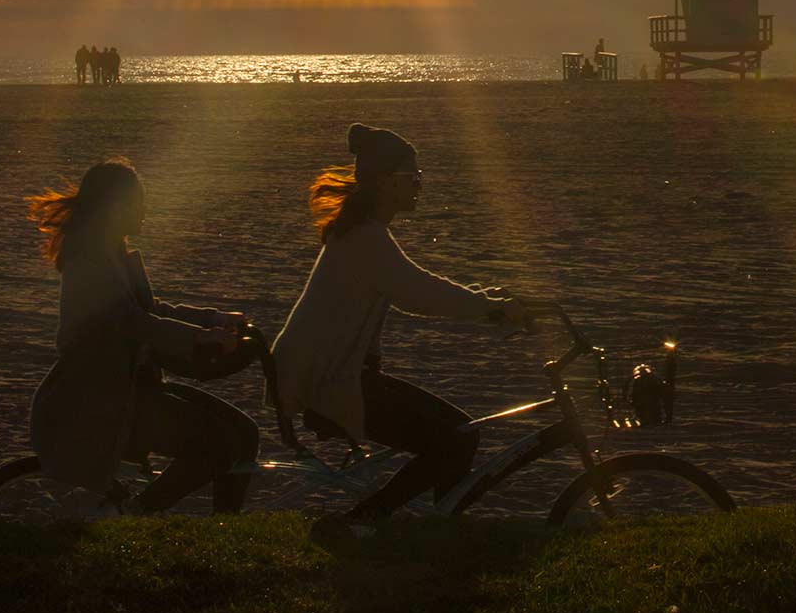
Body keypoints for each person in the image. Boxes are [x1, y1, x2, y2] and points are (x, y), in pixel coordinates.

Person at [272, 124, 530, 546]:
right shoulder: (366, 238)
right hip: (333, 380)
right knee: (456, 438)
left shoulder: (362, 232)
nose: (419, 187)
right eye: (414, 179)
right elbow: (419, 291)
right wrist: (492, 309)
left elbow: (411, 291)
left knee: (455, 434)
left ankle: (439, 530)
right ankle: (368, 521)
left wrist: (485, 302)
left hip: (337, 372)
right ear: (387, 182)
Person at [26, 157, 259, 514]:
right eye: (138, 200)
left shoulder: (112, 252)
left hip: (128, 385)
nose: (145, 209)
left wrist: (214, 319)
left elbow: (152, 310)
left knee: (243, 432)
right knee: (218, 443)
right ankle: (139, 515)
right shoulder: (89, 261)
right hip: (100, 398)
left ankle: (225, 527)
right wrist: (199, 339)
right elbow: (132, 322)